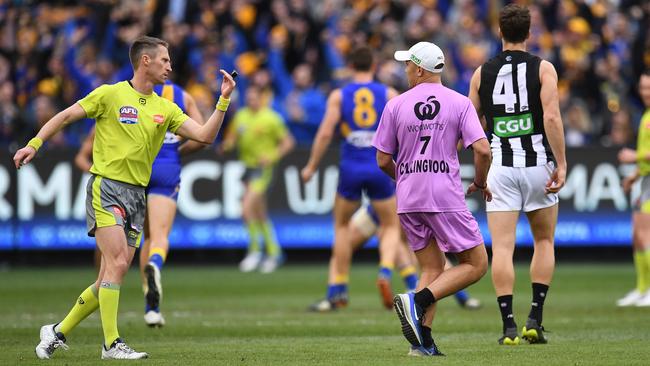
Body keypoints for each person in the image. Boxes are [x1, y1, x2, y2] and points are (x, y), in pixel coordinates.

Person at [15, 36, 236, 360]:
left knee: (110, 275)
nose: (170, 67)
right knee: (117, 264)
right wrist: (34, 144)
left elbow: (204, 136)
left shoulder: (166, 108)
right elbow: (64, 117)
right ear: (145, 61)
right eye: (164, 61)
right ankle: (111, 344)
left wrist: (223, 100)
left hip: (137, 196)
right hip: (106, 187)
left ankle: (56, 331)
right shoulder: (110, 94)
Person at [373, 41, 491, 356]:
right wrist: (480, 182)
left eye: (408, 65)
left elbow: (383, 159)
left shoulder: (396, 104)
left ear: (420, 69)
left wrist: (406, 178)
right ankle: (418, 300)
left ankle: (422, 343)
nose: (406, 69)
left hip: (408, 198)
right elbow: (482, 149)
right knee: (477, 264)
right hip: (444, 196)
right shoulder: (460, 103)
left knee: (432, 267)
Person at [468, 4, 567, 345]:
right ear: (529, 33)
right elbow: (552, 118)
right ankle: (535, 319)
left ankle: (508, 325)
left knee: (503, 249)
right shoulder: (544, 68)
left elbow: (472, 125)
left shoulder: (481, 73)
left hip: (500, 168)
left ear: (500, 33)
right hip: (538, 164)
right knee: (543, 241)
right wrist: (562, 163)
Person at [74, 80, 207, 327]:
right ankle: (152, 301)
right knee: (156, 236)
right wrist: (177, 150)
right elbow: (202, 135)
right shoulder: (181, 97)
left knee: (108, 250)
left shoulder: (120, 99)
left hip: (130, 173)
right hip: (166, 167)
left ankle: (101, 294)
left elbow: (81, 148)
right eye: (165, 60)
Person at [301, 46, 403, 311]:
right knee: (391, 226)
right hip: (380, 167)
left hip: (350, 167)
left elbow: (325, 133)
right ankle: (385, 271)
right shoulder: (389, 94)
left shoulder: (339, 95)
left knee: (342, 227)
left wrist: (312, 165)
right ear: (374, 66)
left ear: (350, 67)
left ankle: (338, 288)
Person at [221, 85, 295, 273]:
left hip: (263, 168)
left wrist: (272, 156)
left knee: (246, 209)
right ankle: (274, 252)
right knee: (259, 213)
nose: (251, 101)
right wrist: (227, 145)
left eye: (255, 97)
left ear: (261, 98)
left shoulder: (271, 118)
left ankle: (254, 250)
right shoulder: (241, 116)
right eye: (249, 97)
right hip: (247, 167)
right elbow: (232, 138)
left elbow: (288, 143)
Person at [617, 70, 650, 307]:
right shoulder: (646, 114)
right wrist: (634, 175)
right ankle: (642, 288)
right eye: (642, 87)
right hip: (645, 179)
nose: (644, 92)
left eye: (648, 88)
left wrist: (633, 156)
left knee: (645, 235)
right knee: (637, 236)